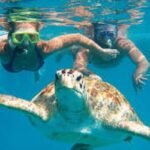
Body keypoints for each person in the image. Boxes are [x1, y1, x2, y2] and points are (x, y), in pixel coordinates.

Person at [0, 10, 119, 81]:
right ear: (12, 37)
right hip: (6, 40)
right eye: (19, 37)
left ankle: (36, 70)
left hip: (31, 61)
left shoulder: (44, 48)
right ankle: (5, 35)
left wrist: (101, 51)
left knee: (35, 66)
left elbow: (77, 37)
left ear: (38, 37)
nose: (26, 43)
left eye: (31, 37)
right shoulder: (3, 51)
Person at [73, 23, 150, 90]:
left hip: (96, 61)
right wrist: (91, 74)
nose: (107, 40)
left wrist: (137, 74)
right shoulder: (88, 46)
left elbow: (143, 62)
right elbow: (78, 67)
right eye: (102, 35)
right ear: (95, 35)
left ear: (116, 34)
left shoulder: (123, 44)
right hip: (88, 56)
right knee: (73, 49)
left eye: (111, 35)